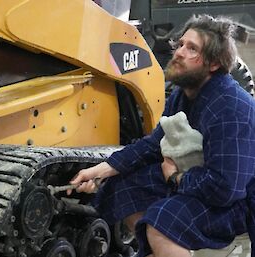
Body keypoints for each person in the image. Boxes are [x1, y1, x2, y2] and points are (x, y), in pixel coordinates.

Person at [68, 14, 255, 257]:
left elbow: (226, 189)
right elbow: (154, 144)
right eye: (180, 45)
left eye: (192, 49)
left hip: (239, 205)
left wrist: (177, 179)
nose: (179, 52)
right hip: (201, 180)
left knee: (161, 222)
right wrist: (103, 169)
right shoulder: (184, 94)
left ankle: (174, 243)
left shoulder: (229, 108)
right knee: (122, 188)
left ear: (214, 63)